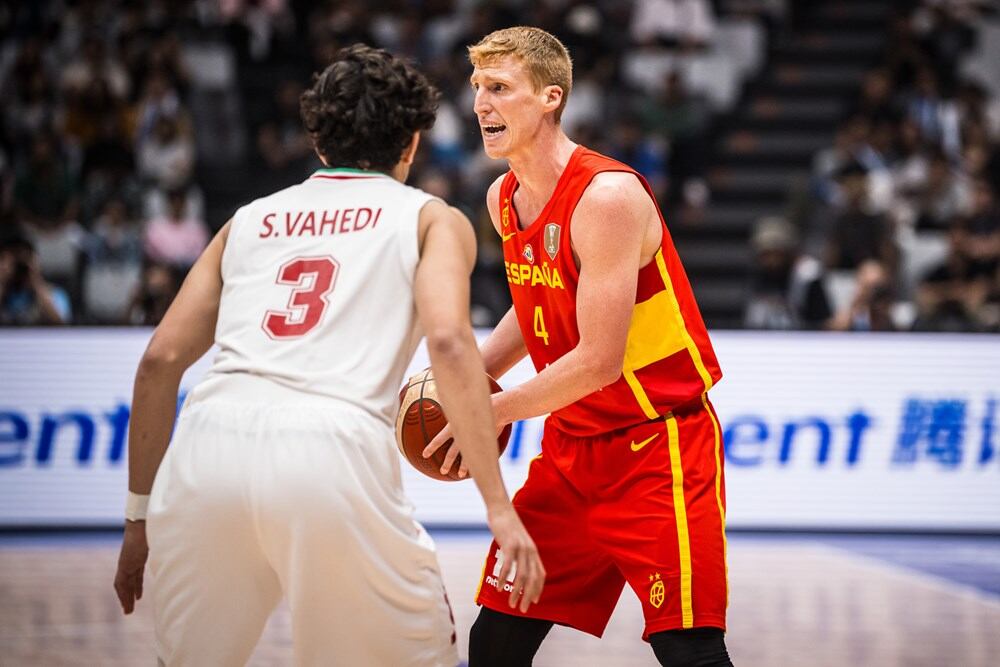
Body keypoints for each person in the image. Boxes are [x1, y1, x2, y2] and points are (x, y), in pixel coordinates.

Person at [113, 44, 544, 666]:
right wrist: (497, 506)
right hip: (331, 451)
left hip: (207, 448)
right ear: (412, 144)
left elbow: (158, 361)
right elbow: (450, 343)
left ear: (318, 142)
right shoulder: (429, 219)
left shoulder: (248, 220)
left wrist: (136, 520)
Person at [424, 27, 732, 666]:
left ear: (549, 99)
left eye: (500, 89)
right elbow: (536, 298)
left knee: (690, 654)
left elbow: (598, 359)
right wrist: (465, 377)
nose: (480, 103)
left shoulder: (608, 196)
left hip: (657, 449)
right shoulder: (503, 195)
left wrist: (490, 409)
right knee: (496, 643)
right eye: (478, 87)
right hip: (570, 452)